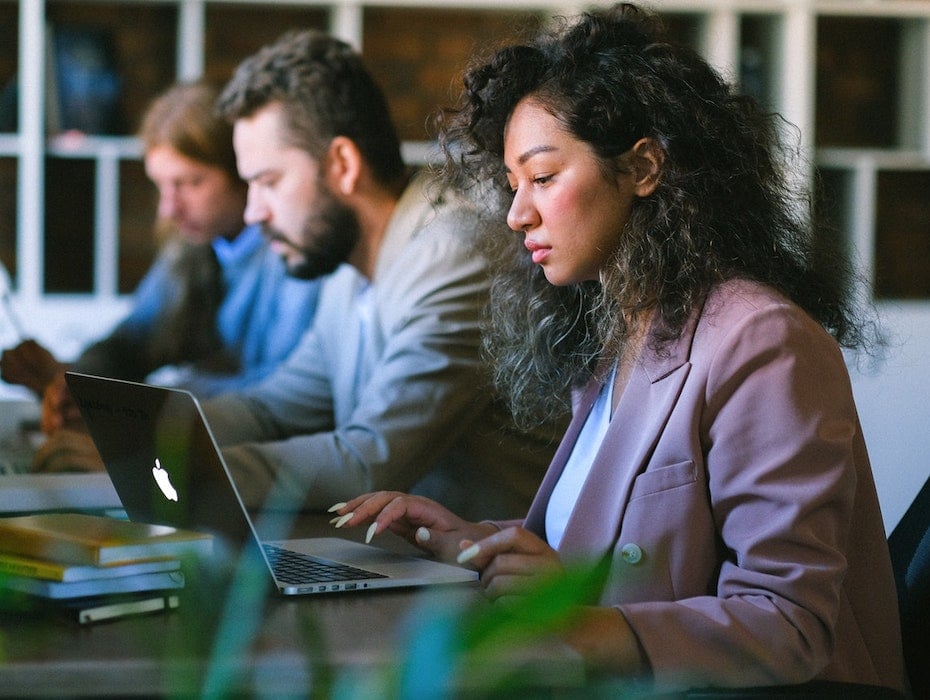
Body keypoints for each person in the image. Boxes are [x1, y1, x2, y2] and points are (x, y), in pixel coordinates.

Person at [331, 4, 908, 695]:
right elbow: (623, 537)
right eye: (513, 186)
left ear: (642, 167)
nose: (517, 214)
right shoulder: (628, 332)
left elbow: (790, 624)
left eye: (542, 178)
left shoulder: (762, 342)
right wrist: (477, 545)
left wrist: (576, 620)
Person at [183, 29, 557, 520]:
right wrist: (153, 431)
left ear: (342, 164)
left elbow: (370, 461)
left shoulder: (455, 254)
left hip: (497, 585)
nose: (253, 212)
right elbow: (272, 410)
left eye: (268, 182)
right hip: (408, 567)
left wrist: (180, 468)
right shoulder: (348, 269)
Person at [1, 81, 321, 464]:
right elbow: (131, 343)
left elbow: (283, 396)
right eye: (161, 186)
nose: (169, 208)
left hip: (267, 463)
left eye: (189, 183)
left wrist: (143, 403)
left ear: (243, 171)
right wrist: (77, 382)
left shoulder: (297, 253)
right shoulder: (192, 246)